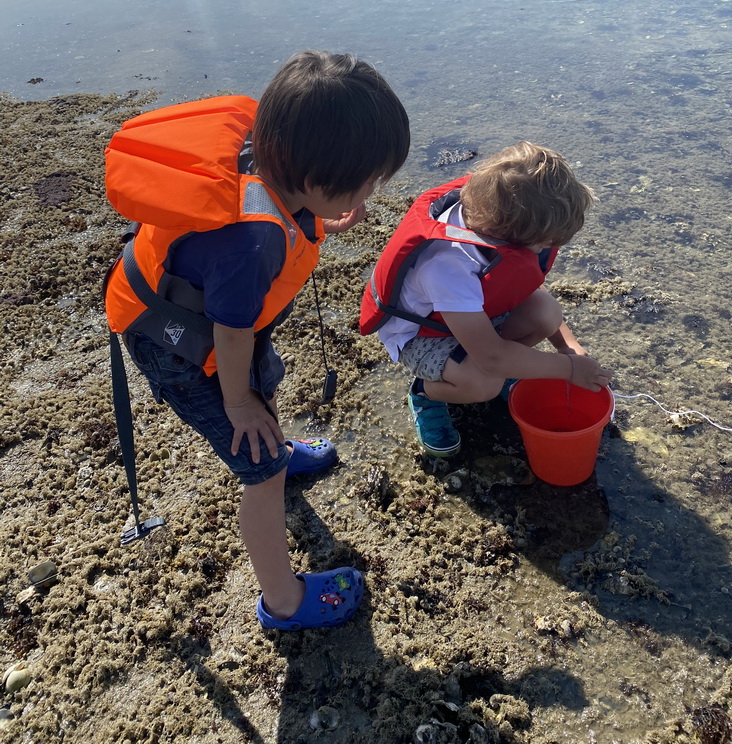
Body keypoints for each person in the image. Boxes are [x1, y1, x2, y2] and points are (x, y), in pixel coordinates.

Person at [105, 51, 410, 629]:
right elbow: (232, 331)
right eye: (361, 186)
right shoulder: (251, 243)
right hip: (177, 345)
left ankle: (273, 441)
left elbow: (284, 206)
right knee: (261, 470)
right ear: (313, 179)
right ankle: (284, 602)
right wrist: (239, 401)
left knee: (260, 389)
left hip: (214, 319)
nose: (366, 198)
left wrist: (329, 215)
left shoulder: (269, 156)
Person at [360, 142, 613, 458]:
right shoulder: (447, 264)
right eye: (544, 243)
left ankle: (489, 370)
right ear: (505, 235)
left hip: (469, 319)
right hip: (423, 336)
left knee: (546, 312)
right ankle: (426, 394)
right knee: (484, 383)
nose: (549, 248)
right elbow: (491, 357)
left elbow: (524, 288)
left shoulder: (496, 214)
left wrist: (567, 347)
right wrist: (568, 369)